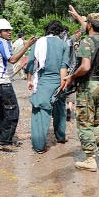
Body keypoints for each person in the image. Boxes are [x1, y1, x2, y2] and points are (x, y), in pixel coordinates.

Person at [65, 5, 99, 171]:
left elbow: (84, 67)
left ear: (90, 25)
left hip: (88, 85)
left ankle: (90, 160)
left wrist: (72, 76)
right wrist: (78, 16)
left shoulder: (86, 41)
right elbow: (87, 26)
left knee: (84, 122)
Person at [0, 19, 36, 148]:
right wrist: (27, 46)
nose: (9, 33)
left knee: (0, 113)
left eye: (9, 30)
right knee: (12, 112)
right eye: (6, 31)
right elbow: (13, 59)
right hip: (3, 83)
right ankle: (5, 140)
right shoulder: (1, 42)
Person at [25, 20, 69, 153]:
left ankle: (39, 146)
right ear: (60, 32)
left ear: (47, 30)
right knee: (60, 110)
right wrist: (62, 83)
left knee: (40, 112)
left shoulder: (39, 43)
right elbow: (64, 66)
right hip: (60, 80)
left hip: (44, 81)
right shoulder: (63, 44)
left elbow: (31, 62)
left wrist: (29, 80)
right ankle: (61, 137)